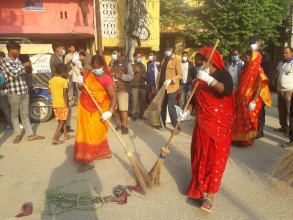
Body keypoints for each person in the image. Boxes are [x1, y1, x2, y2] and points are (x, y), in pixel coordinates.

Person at [179, 47, 234, 212]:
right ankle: (198, 188)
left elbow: (227, 91)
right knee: (200, 154)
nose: (198, 68)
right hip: (202, 125)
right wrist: (186, 111)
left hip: (221, 126)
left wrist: (209, 80)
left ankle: (210, 196)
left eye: (199, 64)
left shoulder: (223, 75)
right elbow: (194, 101)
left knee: (216, 158)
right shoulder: (197, 80)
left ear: (209, 62)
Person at [74, 55, 117, 172]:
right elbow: (81, 89)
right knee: (85, 133)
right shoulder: (88, 74)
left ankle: (89, 160)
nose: (95, 69)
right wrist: (79, 83)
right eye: (94, 67)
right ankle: (103, 153)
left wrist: (110, 111)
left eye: (98, 67)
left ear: (103, 66)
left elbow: (113, 97)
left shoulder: (107, 78)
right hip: (85, 109)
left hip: (99, 110)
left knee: (93, 133)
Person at [0, 41, 44, 143]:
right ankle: (18, 134)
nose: (19, 52)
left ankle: (30, 134)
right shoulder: (4, 61)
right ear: (11, 50)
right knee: (15, 114)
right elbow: (14, 73)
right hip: (13, 92)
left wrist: (25, 68)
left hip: (24, 90)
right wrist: (24, 66)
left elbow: (23, 73)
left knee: (25, 113)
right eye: (18, 50)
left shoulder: (18, 60)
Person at [232, 50, 272, 146]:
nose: (244, 59)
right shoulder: (245, 68)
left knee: (249, 119)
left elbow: (260, 86)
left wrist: (253, 101)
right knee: (239, 119)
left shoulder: (258, 69)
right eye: (244, 57)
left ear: (253, 58)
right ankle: (237, 138)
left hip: (251, 99)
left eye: (246, 58)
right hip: (241, 97)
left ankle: (247, 140)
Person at [50, 42, 79, 133]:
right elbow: (64, 68)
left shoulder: (57, 58)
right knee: (63, 105)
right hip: (59, 83)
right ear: (58, 49)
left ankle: (64, 127)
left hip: (59, 82)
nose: (63, 50)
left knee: (61, 108)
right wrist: (73, 62)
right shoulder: (55, 59)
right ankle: (62, 126)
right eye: (62, 48)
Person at [249, 35, 271, 138]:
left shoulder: (265, 55)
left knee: (260, 108)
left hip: (260, 85)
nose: (251, 45)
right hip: (250, 86)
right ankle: (250, 128)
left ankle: (260, 129)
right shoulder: (249, 54)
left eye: (253, 43)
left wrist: (261, 85)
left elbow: (266, 73)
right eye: (250, 43)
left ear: (259, 42)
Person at [109, 47, 134, 134]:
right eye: (112, 53)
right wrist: (110, 65)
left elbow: (131, 76)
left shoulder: (127, 63)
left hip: (123, 89)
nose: (113, 55)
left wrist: (121, 76)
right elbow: (107, 74)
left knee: (123, 109)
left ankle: (125, 126)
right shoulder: (112, 63)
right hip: (113, 90)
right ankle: (119, 124)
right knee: (115, 109)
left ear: (119, 53)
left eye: (115, 53)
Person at [158, 46, 182, 133]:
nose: (167, 51)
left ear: (172, 50)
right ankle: (162, 124)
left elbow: (180, 75)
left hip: (172, 87)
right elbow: (162, 73)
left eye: (168, 50)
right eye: (166, 50)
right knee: (162, 106)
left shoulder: (176, 60)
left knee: (171, 107)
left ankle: (176, 127)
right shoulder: (164, 59)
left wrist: (171, 80)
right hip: (163, 87)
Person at [48, 63, 72, 145]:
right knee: (62, 121)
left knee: (62, 120)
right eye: (65, 72)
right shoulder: (64, 81)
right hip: (62, 103)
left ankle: (65, 135)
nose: (66, 74)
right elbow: (65, 94)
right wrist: (66, 105)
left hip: (55, 103)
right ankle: (55, 137)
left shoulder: (51, 80)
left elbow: (49, 91)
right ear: (62, 72)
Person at [273, 47, 293, 137]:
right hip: (280, 89)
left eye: (286, 53)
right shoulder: (281, 62)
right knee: (281, 110)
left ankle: (290, 130)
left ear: (291, 53)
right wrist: (274, 80)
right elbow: (277, 72)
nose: (284, 54)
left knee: (289, 111)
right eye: (283, 53)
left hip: (289, 90)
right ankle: (283, 127)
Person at [131, 52, 147, 120]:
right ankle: (135, 114)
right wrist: (134, 72)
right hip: (134, 86)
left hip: (142, 85)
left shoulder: (143, 65)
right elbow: (129, 75)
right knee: (135, 101)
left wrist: (145, 76)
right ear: (134, 57)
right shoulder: (131, 65)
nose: (139, 58)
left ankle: (141, 114)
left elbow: (146, 74)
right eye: (138, 57)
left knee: (142, 101)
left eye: (140, 57)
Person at [0, 51, 12, 130]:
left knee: (5, 106)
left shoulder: (4, 65)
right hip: (5, 88)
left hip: (4, 89)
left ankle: (11, 123)